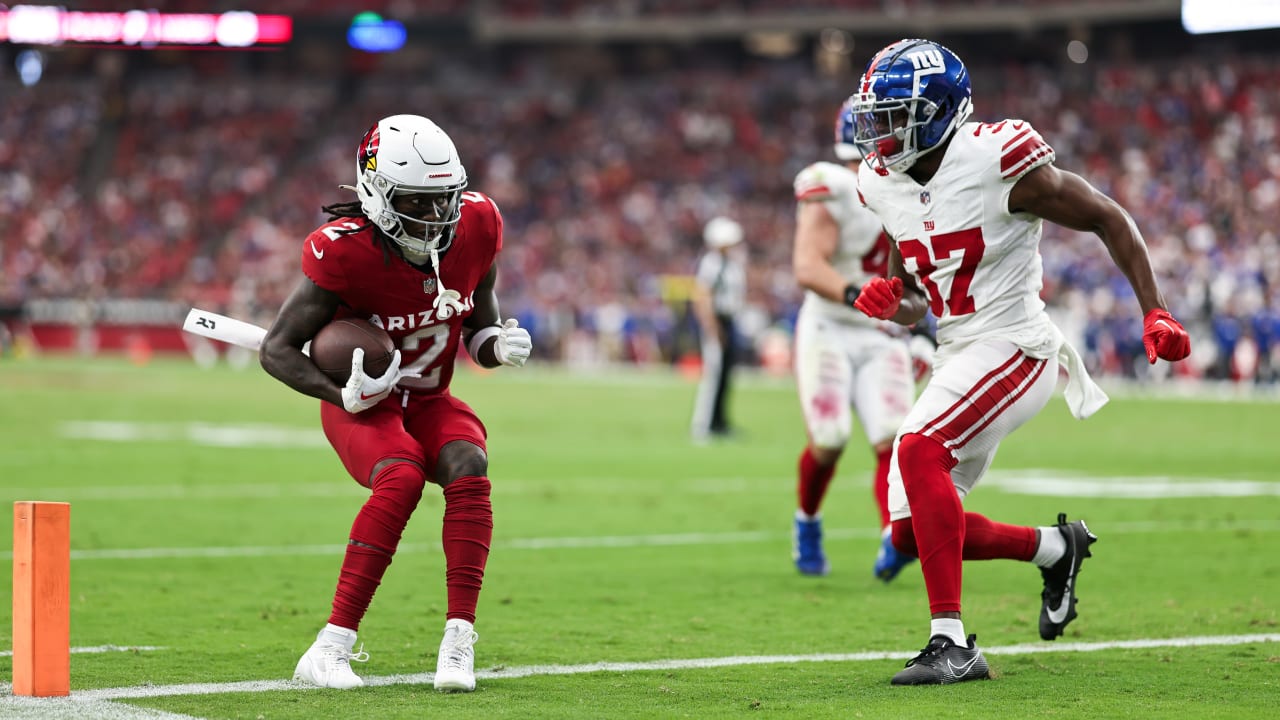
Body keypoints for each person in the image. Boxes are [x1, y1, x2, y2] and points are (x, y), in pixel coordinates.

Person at [846, 39, 1191, 685]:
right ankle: (1055, 548)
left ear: (941, 111)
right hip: (959, 349)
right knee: (907, 536)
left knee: (918, 450)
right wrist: (896, 302)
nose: (883, 135)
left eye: (897, 116)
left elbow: (1108, 218)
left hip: (1016, 345)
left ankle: (951, 643)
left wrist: (1155, 308)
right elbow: (919, 295)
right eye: (878, 118)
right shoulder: (880, 181)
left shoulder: (999, 159)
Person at [259, 114, 533, 693]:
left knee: (469, 464)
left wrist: (498, 346)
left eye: (445, 200)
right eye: (420, 201)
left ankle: (459, 641)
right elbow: (276, 349)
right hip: (366, 404)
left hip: (432, 397)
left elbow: (477, 329)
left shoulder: (477, 224)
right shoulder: (345, 253)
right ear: (379, 195)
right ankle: (330, 646)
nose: (439, 217)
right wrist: (340, 392)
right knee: (402, 475)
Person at [789, 125, 933, 580]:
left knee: (893, 437)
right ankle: (807, 523)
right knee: (830, 438)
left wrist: (926, 333)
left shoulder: (912, 188)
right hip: (830, 324)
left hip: (881, 332)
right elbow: (808, 267)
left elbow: (928, 267)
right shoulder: (833, 186)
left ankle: (893, 535)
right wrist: (856, 291)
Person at [689, 216, 747, 443]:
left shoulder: (731, 263)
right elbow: (703, 296)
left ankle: (720, 423)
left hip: (729, 320)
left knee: (725, 375)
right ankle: (703, 425)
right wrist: (713, 328)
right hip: (718, 321)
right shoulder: (712, 263)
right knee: (713, 375)